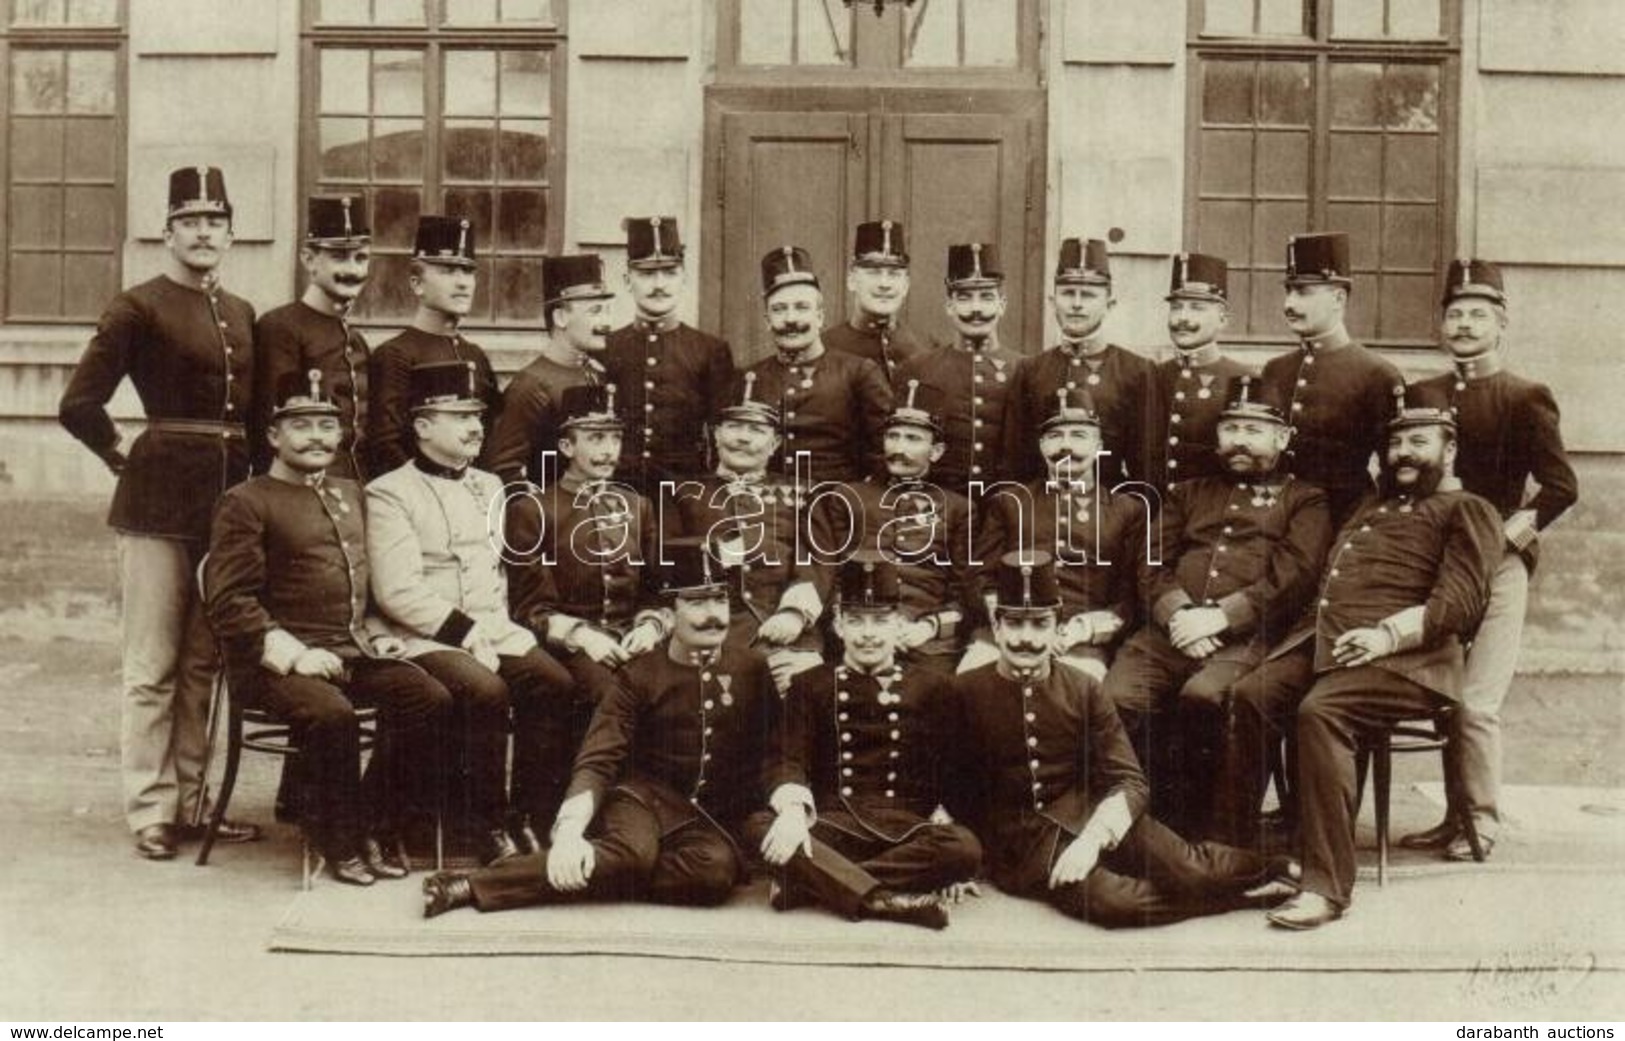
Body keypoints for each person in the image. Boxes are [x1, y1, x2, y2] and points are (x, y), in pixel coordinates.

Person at [58, 165, 261, 860]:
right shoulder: (137, 306)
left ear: (231, 232)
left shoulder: (240, 313)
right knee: (153, 662)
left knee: (207, 661)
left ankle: (196, 801)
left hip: (228, 506)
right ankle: (150, 807)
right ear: (167, 230)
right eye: (190, 221)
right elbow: (78, 404)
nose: (203, 232)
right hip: (155, 505)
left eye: (216, 221)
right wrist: (122, 455)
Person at [421, 538, 782, 917]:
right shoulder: (638, 675)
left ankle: (601, 873)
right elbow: (599, 756)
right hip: (639, 797)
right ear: (668, 615)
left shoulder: (752, 669)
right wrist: (571, 832)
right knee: (632, 853)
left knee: (712, 874)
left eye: (720, 600)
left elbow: (776, 749)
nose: (714, 615)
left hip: (699, 815)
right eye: (696, 602)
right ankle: (468, 885)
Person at [1253, 392, 1503, 930]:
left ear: (1450, 449)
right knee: (1247, 694)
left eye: (1418, 441)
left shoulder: (1470, 509)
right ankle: (1242, 860)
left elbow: (1456, 604)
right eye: (1395, 443)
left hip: (1409, 666)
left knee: (1321, 713)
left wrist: (1385, 636)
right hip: (1330, 646)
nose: (1403, 453)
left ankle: (1325, 887)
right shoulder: (1374, 505)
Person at [949, 552, 1299, 928]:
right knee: (1115, 904)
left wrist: (1093, 839)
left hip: (1095, 812)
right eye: (1015, 625)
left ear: (1055, 628)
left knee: (1190, 868)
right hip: (1027, 846)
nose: (1027, 639)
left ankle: (1281, 869)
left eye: (1039, 625)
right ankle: (1236, 897)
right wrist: (955, 865)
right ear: (996, 626)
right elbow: (945, 786)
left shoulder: (1083, 688)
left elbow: (1130, 781)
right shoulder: (963, 692)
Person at [204, 370, 450, 884]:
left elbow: (370, 582)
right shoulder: (247, 501)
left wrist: (380, 630)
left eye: (327, 425)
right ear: (274, 436)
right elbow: (229, 600)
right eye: (302, 425)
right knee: (333, 715)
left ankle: (371, 823)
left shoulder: (348, 493)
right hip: (272, 665)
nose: (317, 437)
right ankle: (339, 841)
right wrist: (295, 655)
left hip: (350, 651)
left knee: (427, 697)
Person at [1398, 259, 1579, 862]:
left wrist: (1504, 536)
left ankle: (1481, 819)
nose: (1465, 325)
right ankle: (1453, 816)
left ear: (1501, 325)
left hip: (1500, 564)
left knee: (1478, 700)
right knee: (1444, 687)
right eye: (1455, 314)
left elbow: (1560, 487)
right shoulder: (1424, 395)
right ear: (1441, 324)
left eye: (1479, 314)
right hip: (1435, 563)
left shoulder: (1524, 396)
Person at [1102, 378, 1332, 835]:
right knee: (1117, 698)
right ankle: (1133, 817)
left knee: (1206, 698)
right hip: (1166, 635)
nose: (1240, 440)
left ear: (1282, 438)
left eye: (1254, 429)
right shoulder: (1186, 492)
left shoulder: (1306, 499)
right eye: (1231, 428)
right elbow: (1150, 563)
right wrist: (1179, 615)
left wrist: (1222, 616)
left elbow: (1295, 577)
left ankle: (1207, 832)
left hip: (1248, 640)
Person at [366, 360, 574, 862]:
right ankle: (482, 826)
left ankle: (529, 816)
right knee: (486, 690)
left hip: (492, 628)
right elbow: (397, 592)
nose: (475, 427)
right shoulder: (389, 492)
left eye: (477, 416)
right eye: (459, 416)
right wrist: (466, 632)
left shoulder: (490, 486)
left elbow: (499, 571)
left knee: (553, 683)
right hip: (423, 635)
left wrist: (502, 628)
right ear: (422, 427)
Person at [745, 554, 982, 930]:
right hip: (835, 824)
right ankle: (883, 900)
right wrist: (792, 813)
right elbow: (786, 759)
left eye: (880, 620)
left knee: (963, 848)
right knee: (761, 826)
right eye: (856, 620)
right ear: (838, 625)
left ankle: (813, 883)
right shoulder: (811, 685)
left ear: (898, 623)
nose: (868, 633)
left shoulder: (934, 687)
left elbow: (955, 771)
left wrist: (947, 820)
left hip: (906, 828)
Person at [505, 383, 669, 709]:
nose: (609, 450)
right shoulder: (533, 510)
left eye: (615, 438)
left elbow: (656, 589)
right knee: (613, 695)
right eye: (595, 438)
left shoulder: (638, 506)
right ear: (566, 446)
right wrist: (583, 636)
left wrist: (650, 626)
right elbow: (528, 609)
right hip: (569, 648)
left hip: (632, 641)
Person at [966, 389, 1147, 680]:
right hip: (1004, 635)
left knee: (1079, 702)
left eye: (1079, 435)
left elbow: (1131, 598)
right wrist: (1009, 626)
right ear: (1040, 445)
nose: (1066, 446)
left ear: (1099, 445)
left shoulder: (1128, 510)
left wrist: (1083, 630)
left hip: (1079, 643)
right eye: (1054, 436)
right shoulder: (1009, 502)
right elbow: (980, 578)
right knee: (968, 688)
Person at [668, 374, 828, 693]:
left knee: (808, 692)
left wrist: (795, 614)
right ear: (715, 434)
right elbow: (671, 566)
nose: (743, 438)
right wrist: (721, 552)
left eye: (756, 430)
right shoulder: (684, 493)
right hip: (715, 637)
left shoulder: (801, 493)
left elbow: (817, 562)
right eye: (734, 427)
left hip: (789, 637)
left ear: (775, 443)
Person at [814, 380, 975, 675]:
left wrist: (928, 627)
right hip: (857, 638)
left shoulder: (958, 509)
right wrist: (862, 629)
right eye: (893, 436)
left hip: (926, 643)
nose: (899, 448)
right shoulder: (847, 498)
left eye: (913, 438)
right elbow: (831, 579)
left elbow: (965, 592)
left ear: (936, 451)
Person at [1258, 232, 1402, 524]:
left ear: (1338, 298)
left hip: (1342, 522)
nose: (1289, 303)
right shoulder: (1274, 370)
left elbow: (1395, 472)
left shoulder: (1377, 374)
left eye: (1303, 292)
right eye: (1288, 291)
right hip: (1275, 522)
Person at [1003, 237, 1157, 485]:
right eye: (1067, 294)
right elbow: (1015, 460)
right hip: (1041, 510)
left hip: (1110, 513)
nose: (1076, 304)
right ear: (1053, 302)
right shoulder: (1031, 369)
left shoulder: (1137, 371)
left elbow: (1146, 466)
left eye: (1087, 295)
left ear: (1109, 304)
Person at [604, 215, 737, 493]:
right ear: (628, 280)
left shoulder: (710, 350)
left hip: (687, 493)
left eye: (670, 272)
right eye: (647, 274)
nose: (659, 284)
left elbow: (722, 435)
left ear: (684, 277)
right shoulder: (608, 348)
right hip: (619, 491)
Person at [744, 246, 893, 486]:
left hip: (838, 509)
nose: (791, 319)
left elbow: (885, 452)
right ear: (767, 321)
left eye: (802, 307)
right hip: (770, 511)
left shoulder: (858, 373)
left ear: (820, 316)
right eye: (779, 309)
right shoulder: (751, 379)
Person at [365, 215, 502, 477]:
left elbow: (491, 438)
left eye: (468, 271)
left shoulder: (475, 355)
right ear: (417, 283)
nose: (462, 282)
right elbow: (385, 445)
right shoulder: (396, 354)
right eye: (448, 271)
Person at [253, 195, 376, 482]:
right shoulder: (280, 327)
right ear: (309, 259)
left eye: (361, 258)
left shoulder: (355, 338)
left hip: (353, 489)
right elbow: (268, 426)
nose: (353, 270)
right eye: (339, 256)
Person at [891, 242, 1022, 493]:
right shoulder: (918, 369)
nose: (976, 309)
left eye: (986, 297)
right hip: (940, 508)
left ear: (1002, 305)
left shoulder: (1024, 369)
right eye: (964, 298)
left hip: (1006, 509)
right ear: (949, 306)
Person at [487, 254, 616, 486]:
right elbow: (504, 469)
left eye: (607, 311)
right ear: (560, 317)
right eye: (596, 311)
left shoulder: (596, 373)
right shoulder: (531, 385)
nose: (607, 322)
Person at [1146, 252, 1257, 491]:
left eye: (1197, 308)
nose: (1183, 318)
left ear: (1223, 319)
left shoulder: (1243, 380)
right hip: (1155, 512)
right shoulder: (1152, 376)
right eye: (1176, 308)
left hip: (1211, 518)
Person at [821, 219, 932, 378]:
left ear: (906, 285)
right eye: (873, 273)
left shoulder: (927, 347)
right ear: (852, 280)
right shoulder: (824, 349)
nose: (884, 284)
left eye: (894, 274)